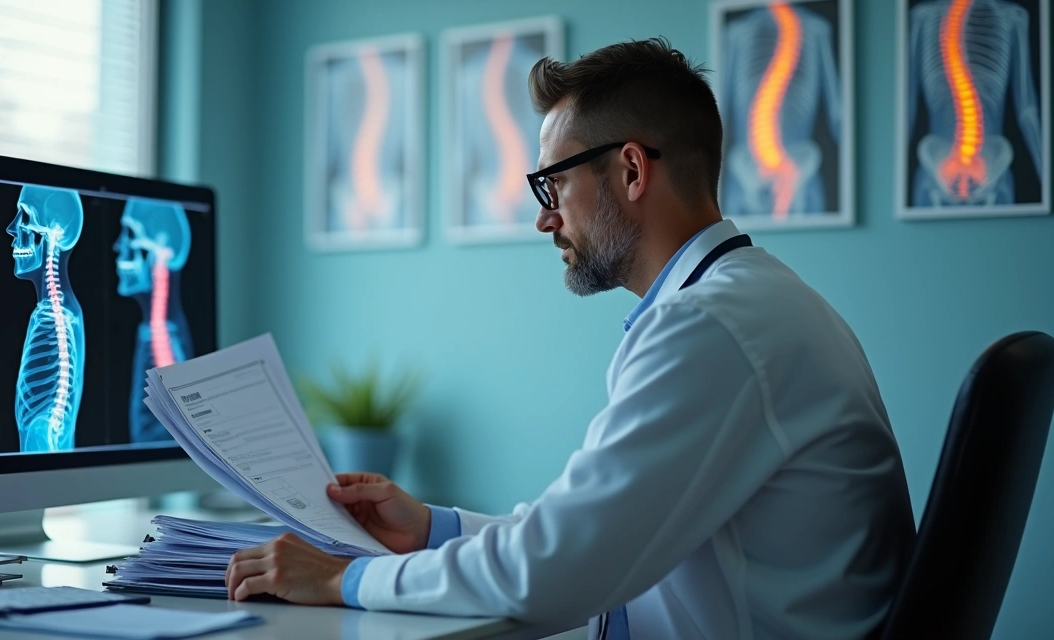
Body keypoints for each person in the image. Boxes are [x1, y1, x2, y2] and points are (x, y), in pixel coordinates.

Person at [225, 38, 916, 640]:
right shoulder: (749, 304)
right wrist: (432, 530)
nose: (544, 221)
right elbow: (590, 540)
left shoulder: (713, 327)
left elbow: (550, 574)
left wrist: (347, 579)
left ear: (633, 171)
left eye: (552, 186)